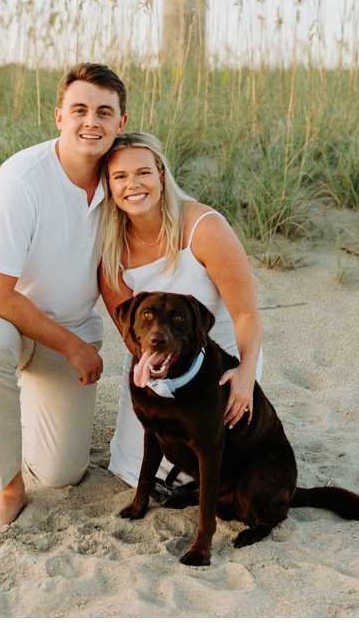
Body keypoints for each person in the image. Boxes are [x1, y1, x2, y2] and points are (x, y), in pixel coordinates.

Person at [0, 62, 127, 537]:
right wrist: (73, 346)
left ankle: (29, 407)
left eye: (104, 112)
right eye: (80, 110)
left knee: (61, 474)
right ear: (59, 117)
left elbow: (115, 277)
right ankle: (7, 488)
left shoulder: (120, 184)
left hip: (67, 324)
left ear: (120, 124)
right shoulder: (22, 178)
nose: (92, 121)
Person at [97, 131, 264, 489]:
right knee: (133, 468)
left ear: (160, 174)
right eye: (120, 177)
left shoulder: (205, 228)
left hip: (222, 359)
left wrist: (247, 373)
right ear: (109, 186)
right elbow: (130, 334)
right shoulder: (111, 249)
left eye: (143, 172)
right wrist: (157, 375)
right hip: (157, 358)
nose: (133, 184)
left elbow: (247, 315)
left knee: (213, 461)